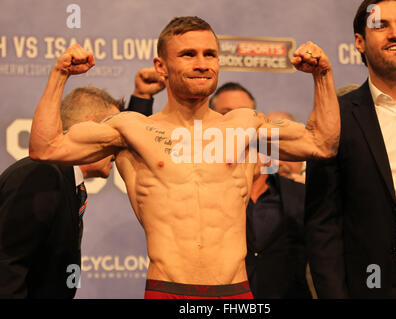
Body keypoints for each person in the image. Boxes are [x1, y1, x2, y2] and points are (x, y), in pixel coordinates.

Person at [29, 16, 340, 299]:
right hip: (168, 290)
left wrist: (323, 75)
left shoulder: (244, 127)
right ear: (161, 66)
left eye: (210, 54)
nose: (202, 63)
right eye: (188, 54)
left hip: (235, 294)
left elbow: (321, 143)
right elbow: (47, 147)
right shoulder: (132, 130)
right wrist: (60, 74)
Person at [305, 0, 396, 298]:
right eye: (380, 25)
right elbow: (323, 225)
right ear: (359, 42)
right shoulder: (337, 117)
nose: (395, 33)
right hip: (378, 280)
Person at [0, 86, 123, 298]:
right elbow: (7, 265)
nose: (120, 146)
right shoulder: (42, 174)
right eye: (114, 134)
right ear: (90, 128)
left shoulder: (67, 182)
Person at [210, 83, 311, 298]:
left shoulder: (299, 195)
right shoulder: (202, 194)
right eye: (227, 115)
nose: (237, 125)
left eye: (244, 115)